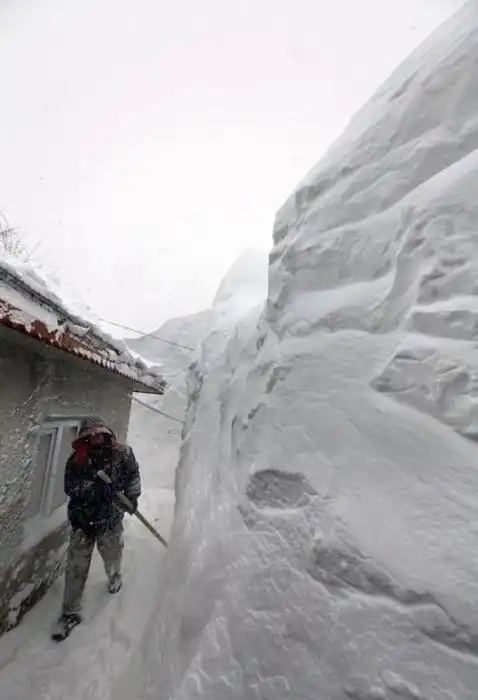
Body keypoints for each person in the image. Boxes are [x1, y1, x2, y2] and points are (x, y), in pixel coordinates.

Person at [53, 417, 141, 638]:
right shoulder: (77, 460)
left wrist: (132, 497)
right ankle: (70, 612)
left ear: (107, 433)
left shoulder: (123, 454)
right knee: (76, 567)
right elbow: (71, 487)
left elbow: (133, 474)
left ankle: (114, 576)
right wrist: (97, 490)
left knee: (112, 553)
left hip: (110, 520)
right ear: (84, 438)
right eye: (90, 435)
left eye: (99, 433)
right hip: (83, 521)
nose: (95, 438)